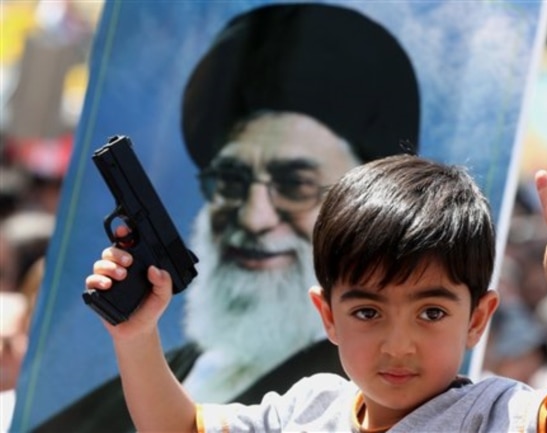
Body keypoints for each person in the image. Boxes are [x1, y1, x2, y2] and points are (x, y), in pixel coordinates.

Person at [32, 4, 420, 431]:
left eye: (295, 186)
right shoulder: (113, 400)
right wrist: (137, 336)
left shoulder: (371, 402)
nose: (253, 218)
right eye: (232, 181)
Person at [87, 154, 547, 432]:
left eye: (431, 311)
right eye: (368, 310)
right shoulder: (308, 408)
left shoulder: (492, 413)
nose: (398, 344)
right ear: (327, 314)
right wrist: (136, 336)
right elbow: (180, 428)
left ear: (478, 318)